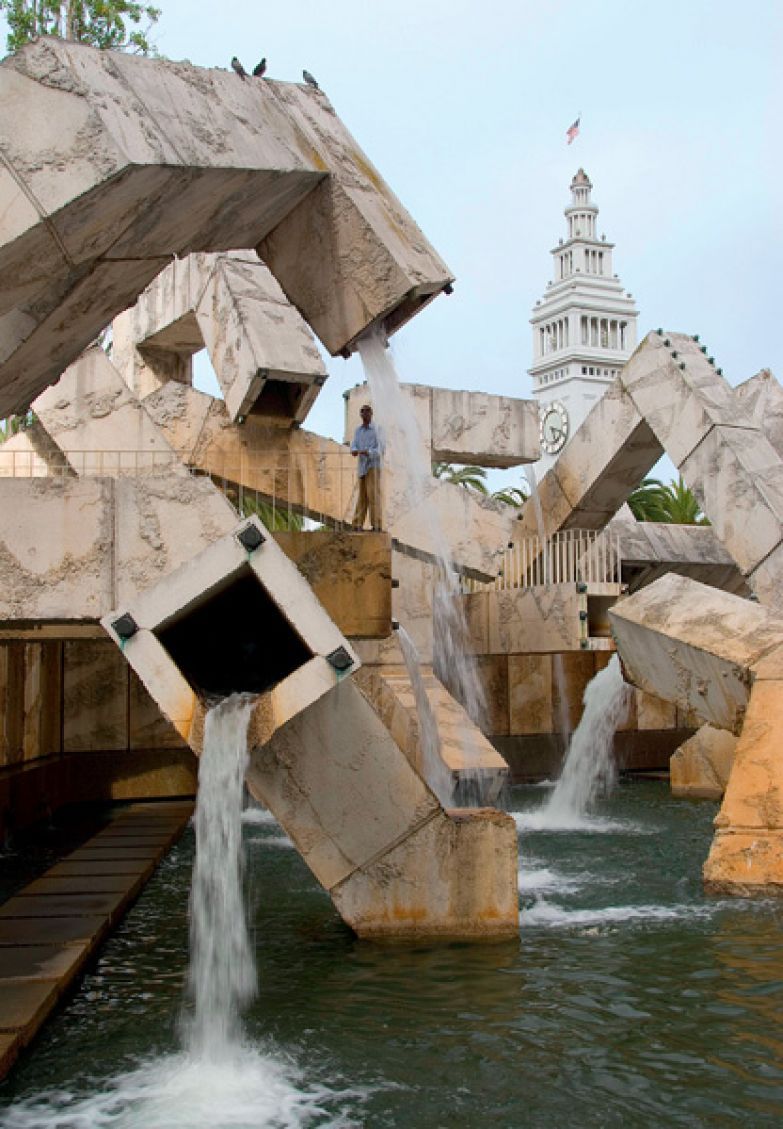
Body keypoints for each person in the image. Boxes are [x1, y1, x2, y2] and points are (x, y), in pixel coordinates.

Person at [350, 403, 382, 531]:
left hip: (373, 465)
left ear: (371, 413)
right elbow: (354, 444)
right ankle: (357, 524)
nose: (365, 414)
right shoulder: (358, 430)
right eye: (362, 411)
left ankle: (377, 524)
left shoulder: (377, 430)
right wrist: (354, 450)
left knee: (373, 495)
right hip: (362, 466)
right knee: (362, 496)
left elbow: (380, 449)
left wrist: (367, 452)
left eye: (367, 411)